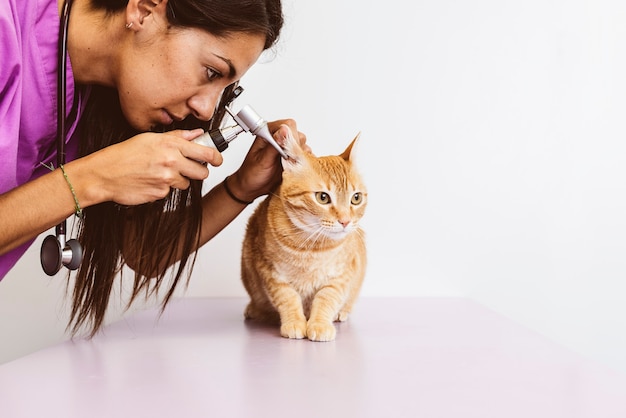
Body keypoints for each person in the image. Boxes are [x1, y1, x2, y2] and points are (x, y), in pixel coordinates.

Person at [0, 0, 305, 336]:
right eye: (212, 72)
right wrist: (93, 179)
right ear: (144, 9)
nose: (206, 110)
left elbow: (144, 252)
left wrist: (241, 188)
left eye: (224, 89)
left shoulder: (105, 96)